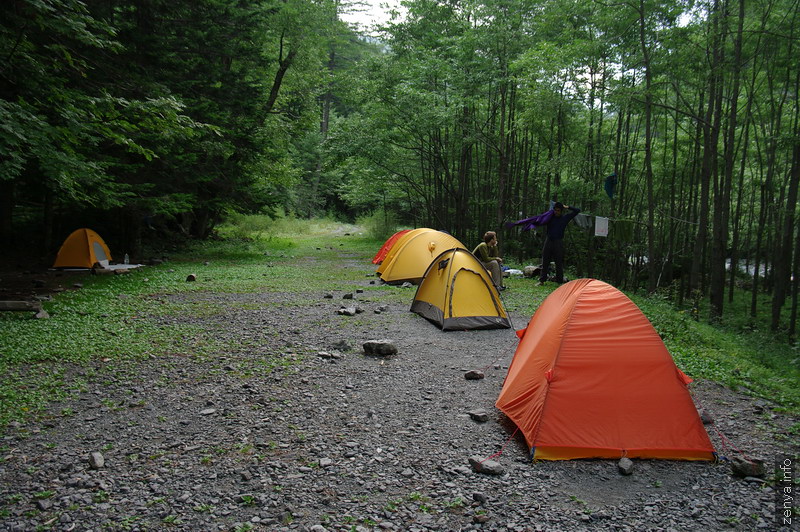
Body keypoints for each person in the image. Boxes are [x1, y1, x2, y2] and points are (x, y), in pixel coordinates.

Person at [539, 202, 580, 285]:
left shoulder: (565, 218)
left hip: (558, 241)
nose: (556, 212)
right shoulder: (550, 217)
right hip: (549, 240)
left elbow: (577, 211)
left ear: (561, 211)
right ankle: (542, 280)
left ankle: (559, 281)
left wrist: (567, 206)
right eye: (555, 210)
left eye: (558, 210)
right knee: (545, 261)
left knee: (559, 262)